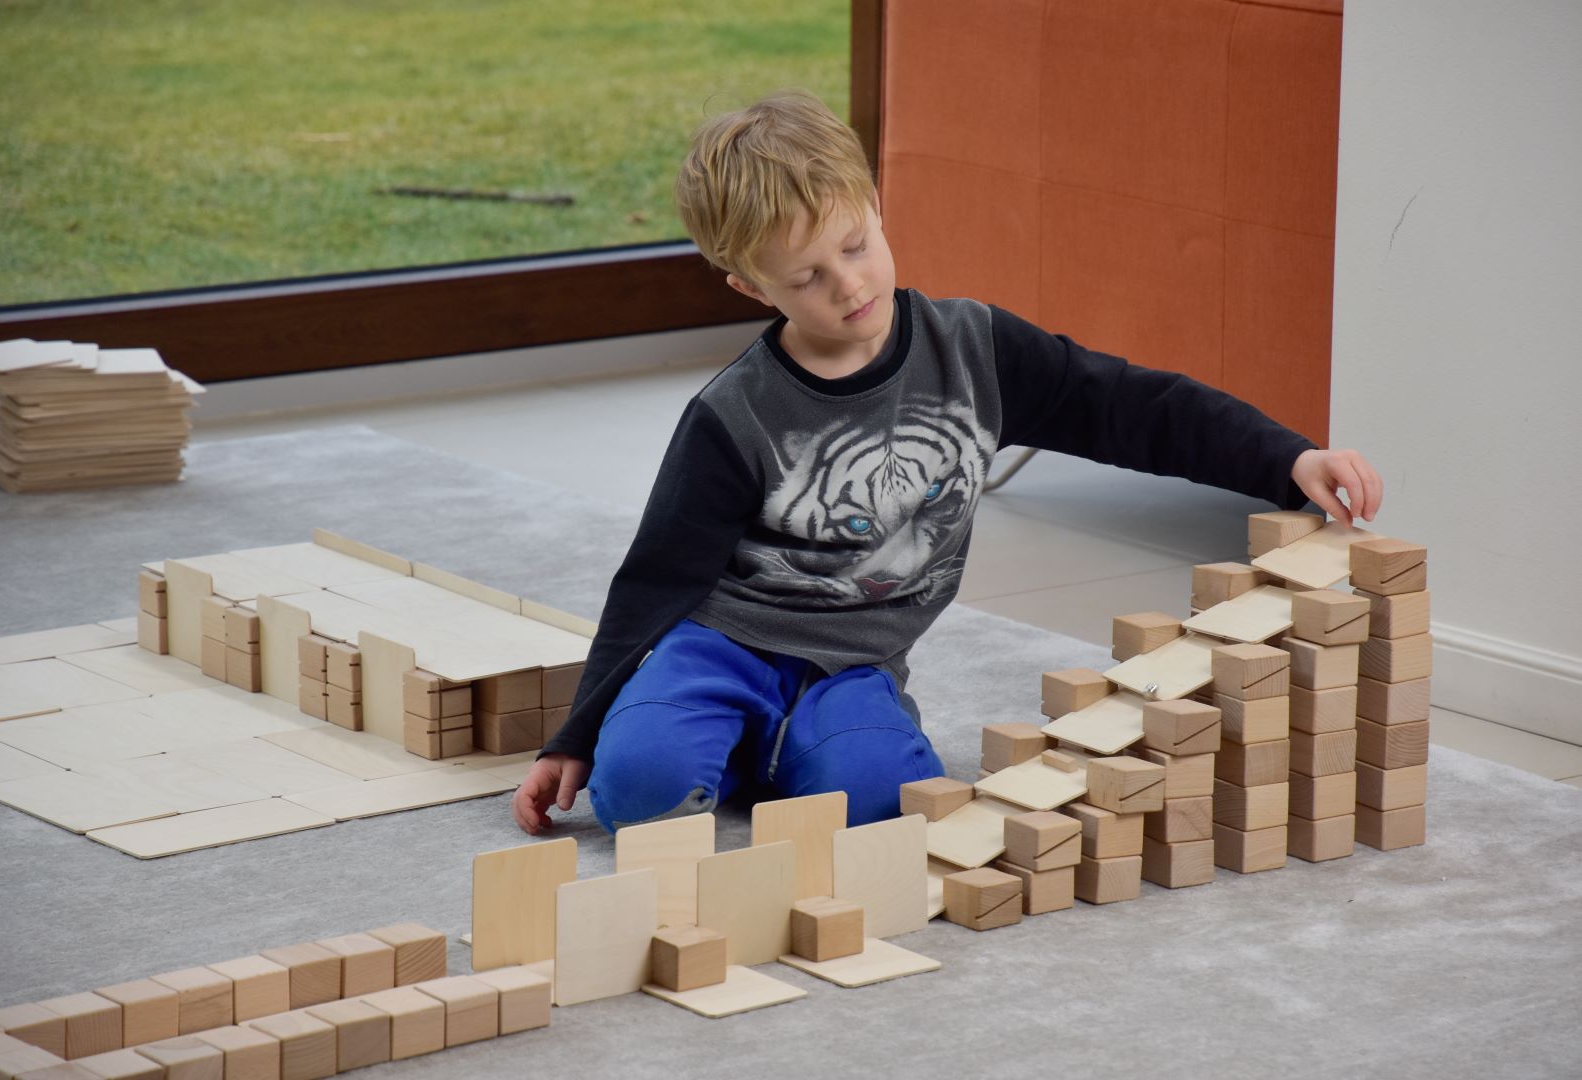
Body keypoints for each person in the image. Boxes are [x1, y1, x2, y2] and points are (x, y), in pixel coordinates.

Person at [511, 88, 1382, 835]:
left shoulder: (975, 351)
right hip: (721, 645)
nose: (848, 286)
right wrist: (575, 737)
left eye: (854, 246)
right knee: (638, 794)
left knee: (877, 803)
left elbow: (1130, 405)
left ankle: (779, 745)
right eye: (806, 276)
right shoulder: (733, 416)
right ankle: (715, 738)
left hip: (852, 663)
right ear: (749, 286)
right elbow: (655, 578)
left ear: (877, 207)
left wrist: (1285, 457)